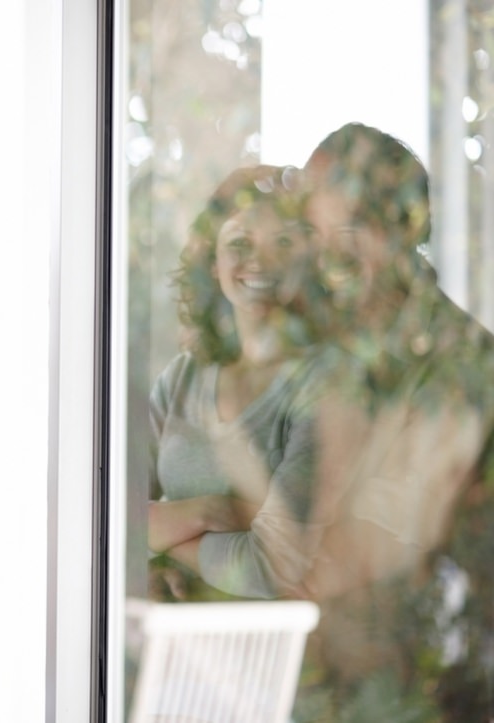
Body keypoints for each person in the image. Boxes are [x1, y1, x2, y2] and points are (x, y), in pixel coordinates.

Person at [292, 121, 494, 720]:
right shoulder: (327, 361)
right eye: (312, 233)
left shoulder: (457, 370)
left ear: (400, 234)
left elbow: (362, 555)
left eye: (348, 234)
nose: (326, 260)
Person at [147, 163, 338, 602]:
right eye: (239, 242)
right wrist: (214, 512)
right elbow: (108, 522)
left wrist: (163, 540)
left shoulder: (322, 384)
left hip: (282, 658)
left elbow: (273, 567)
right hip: (173, 650)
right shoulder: (183, 377)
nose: (260, 260)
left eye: (283, 242)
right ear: (212, 262)